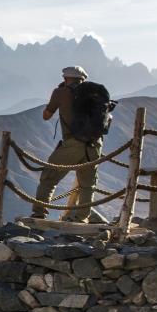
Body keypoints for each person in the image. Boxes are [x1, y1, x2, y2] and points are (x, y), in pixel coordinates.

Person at [32, 66, 103, 222]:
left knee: (49, 177)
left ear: (65, 78)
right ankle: (82, 218)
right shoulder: (95, 94)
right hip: (94, 145)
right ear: (83, 79)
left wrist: (58, 101)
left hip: (73, 143)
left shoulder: (60, 92)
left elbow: (46, 116)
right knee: (87, 185)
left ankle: (39, 213)